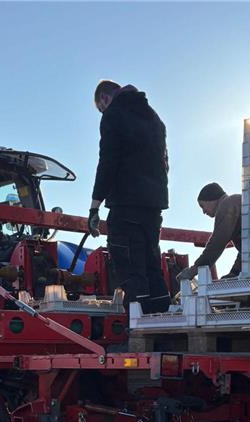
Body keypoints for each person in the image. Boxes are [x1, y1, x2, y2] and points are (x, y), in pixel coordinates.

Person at [88, 80, 171, 314]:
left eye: (100, 109)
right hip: (154, 206)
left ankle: (138, 327)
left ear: (104, 98)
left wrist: (95, 206)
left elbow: (108, 161)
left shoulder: (114, 114)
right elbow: (164, 164)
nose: (102, 113)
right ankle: (162, 321)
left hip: (126, 205)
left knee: (130, 268)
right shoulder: (155, 119)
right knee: (152, 265)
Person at [177, 183, 242, 281]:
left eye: (202, 206)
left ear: (211, 199)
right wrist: (235, 272)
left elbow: (216, 244)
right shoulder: (236, 202)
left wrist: (194, 269)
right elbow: (246, 250)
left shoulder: (227, 204)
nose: (203, 211)